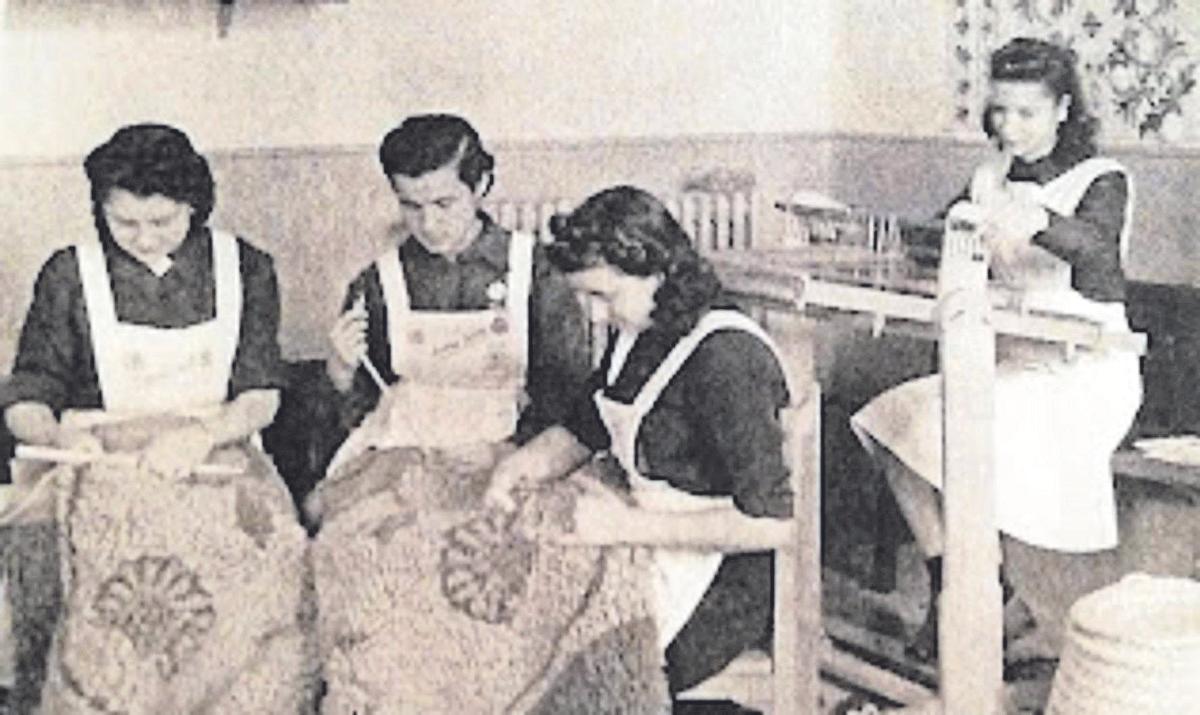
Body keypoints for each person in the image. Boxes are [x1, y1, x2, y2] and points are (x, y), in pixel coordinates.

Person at [0, 123, 311, 712]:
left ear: (193, 204)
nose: (143, 239)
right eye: (124, 224)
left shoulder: (245, 267)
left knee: (252, 551)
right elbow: (28, 391)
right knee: (112, 557)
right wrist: (55, 431)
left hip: (218, 448)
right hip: (100, 457)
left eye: (162, 222)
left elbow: (260, 394)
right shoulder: (71, 274)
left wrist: (203, 435)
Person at [851, 37, 1142, 663]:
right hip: (1008, 367)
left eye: (1026, 113)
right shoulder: (988, 177)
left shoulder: (1102, 181)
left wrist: (1037, 220)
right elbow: (932, 238)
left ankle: (982, 605)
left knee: (952, 433)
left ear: (1062, 109)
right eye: (1001, 111)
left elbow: (1096, 250)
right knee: (890, 423)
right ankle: (962, 585)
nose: (1009, 127)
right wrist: (862, 226)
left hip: (1083, 373)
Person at [485, 185, 796, 701]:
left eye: (603, 295)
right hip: (655, 542)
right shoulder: (638, 330)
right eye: (586, 297)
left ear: (659, 269)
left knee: (561, 664)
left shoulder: (725, 357)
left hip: (723, 581)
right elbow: (586, 430)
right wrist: (518, 469)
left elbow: (771, 523)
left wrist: (625, 526)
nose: (594, 315)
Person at [323, 113, 591, 465]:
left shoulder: (537, 271)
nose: (429, 225)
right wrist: (341, 372)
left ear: (480, 186)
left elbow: (567, 392)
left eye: (443, 204)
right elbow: (359, 406)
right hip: (407, 458)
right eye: (411, 206)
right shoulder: (379, 282)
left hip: (512, 453)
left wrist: (508, 449)